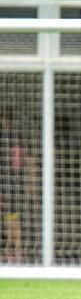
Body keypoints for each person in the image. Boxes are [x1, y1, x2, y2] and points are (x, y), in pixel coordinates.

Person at [0, 106, 36, 264]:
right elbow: (29, 161)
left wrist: (30, 181)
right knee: (11, 218)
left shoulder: (8, 138)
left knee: (11, 218)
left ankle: (15, 250)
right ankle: (12, 249)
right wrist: (30, 182)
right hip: (16, 183)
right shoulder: (17, 138)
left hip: (10, 184)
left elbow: (26, 161)